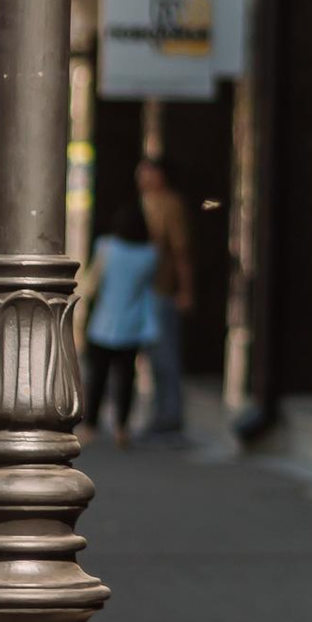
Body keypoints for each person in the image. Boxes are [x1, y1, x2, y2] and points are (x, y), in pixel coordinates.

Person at [82, 199, 159, 449]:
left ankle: (91, 426)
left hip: (104, 321)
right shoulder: (150, 254)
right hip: (133, 323)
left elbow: (93, 282)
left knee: (98, 376)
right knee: (126, 378)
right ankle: (121, 428)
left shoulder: (106, 246)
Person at [136, 154, 195, 441]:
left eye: (148, 172)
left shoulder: (170, 204)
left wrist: (185, 290)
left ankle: (171, 415)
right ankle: (161, 413)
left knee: (165, 355)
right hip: (142, 289)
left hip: (162, 288)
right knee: (151, 356)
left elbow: (181, 250)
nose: (142, 177)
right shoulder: (141, 203)